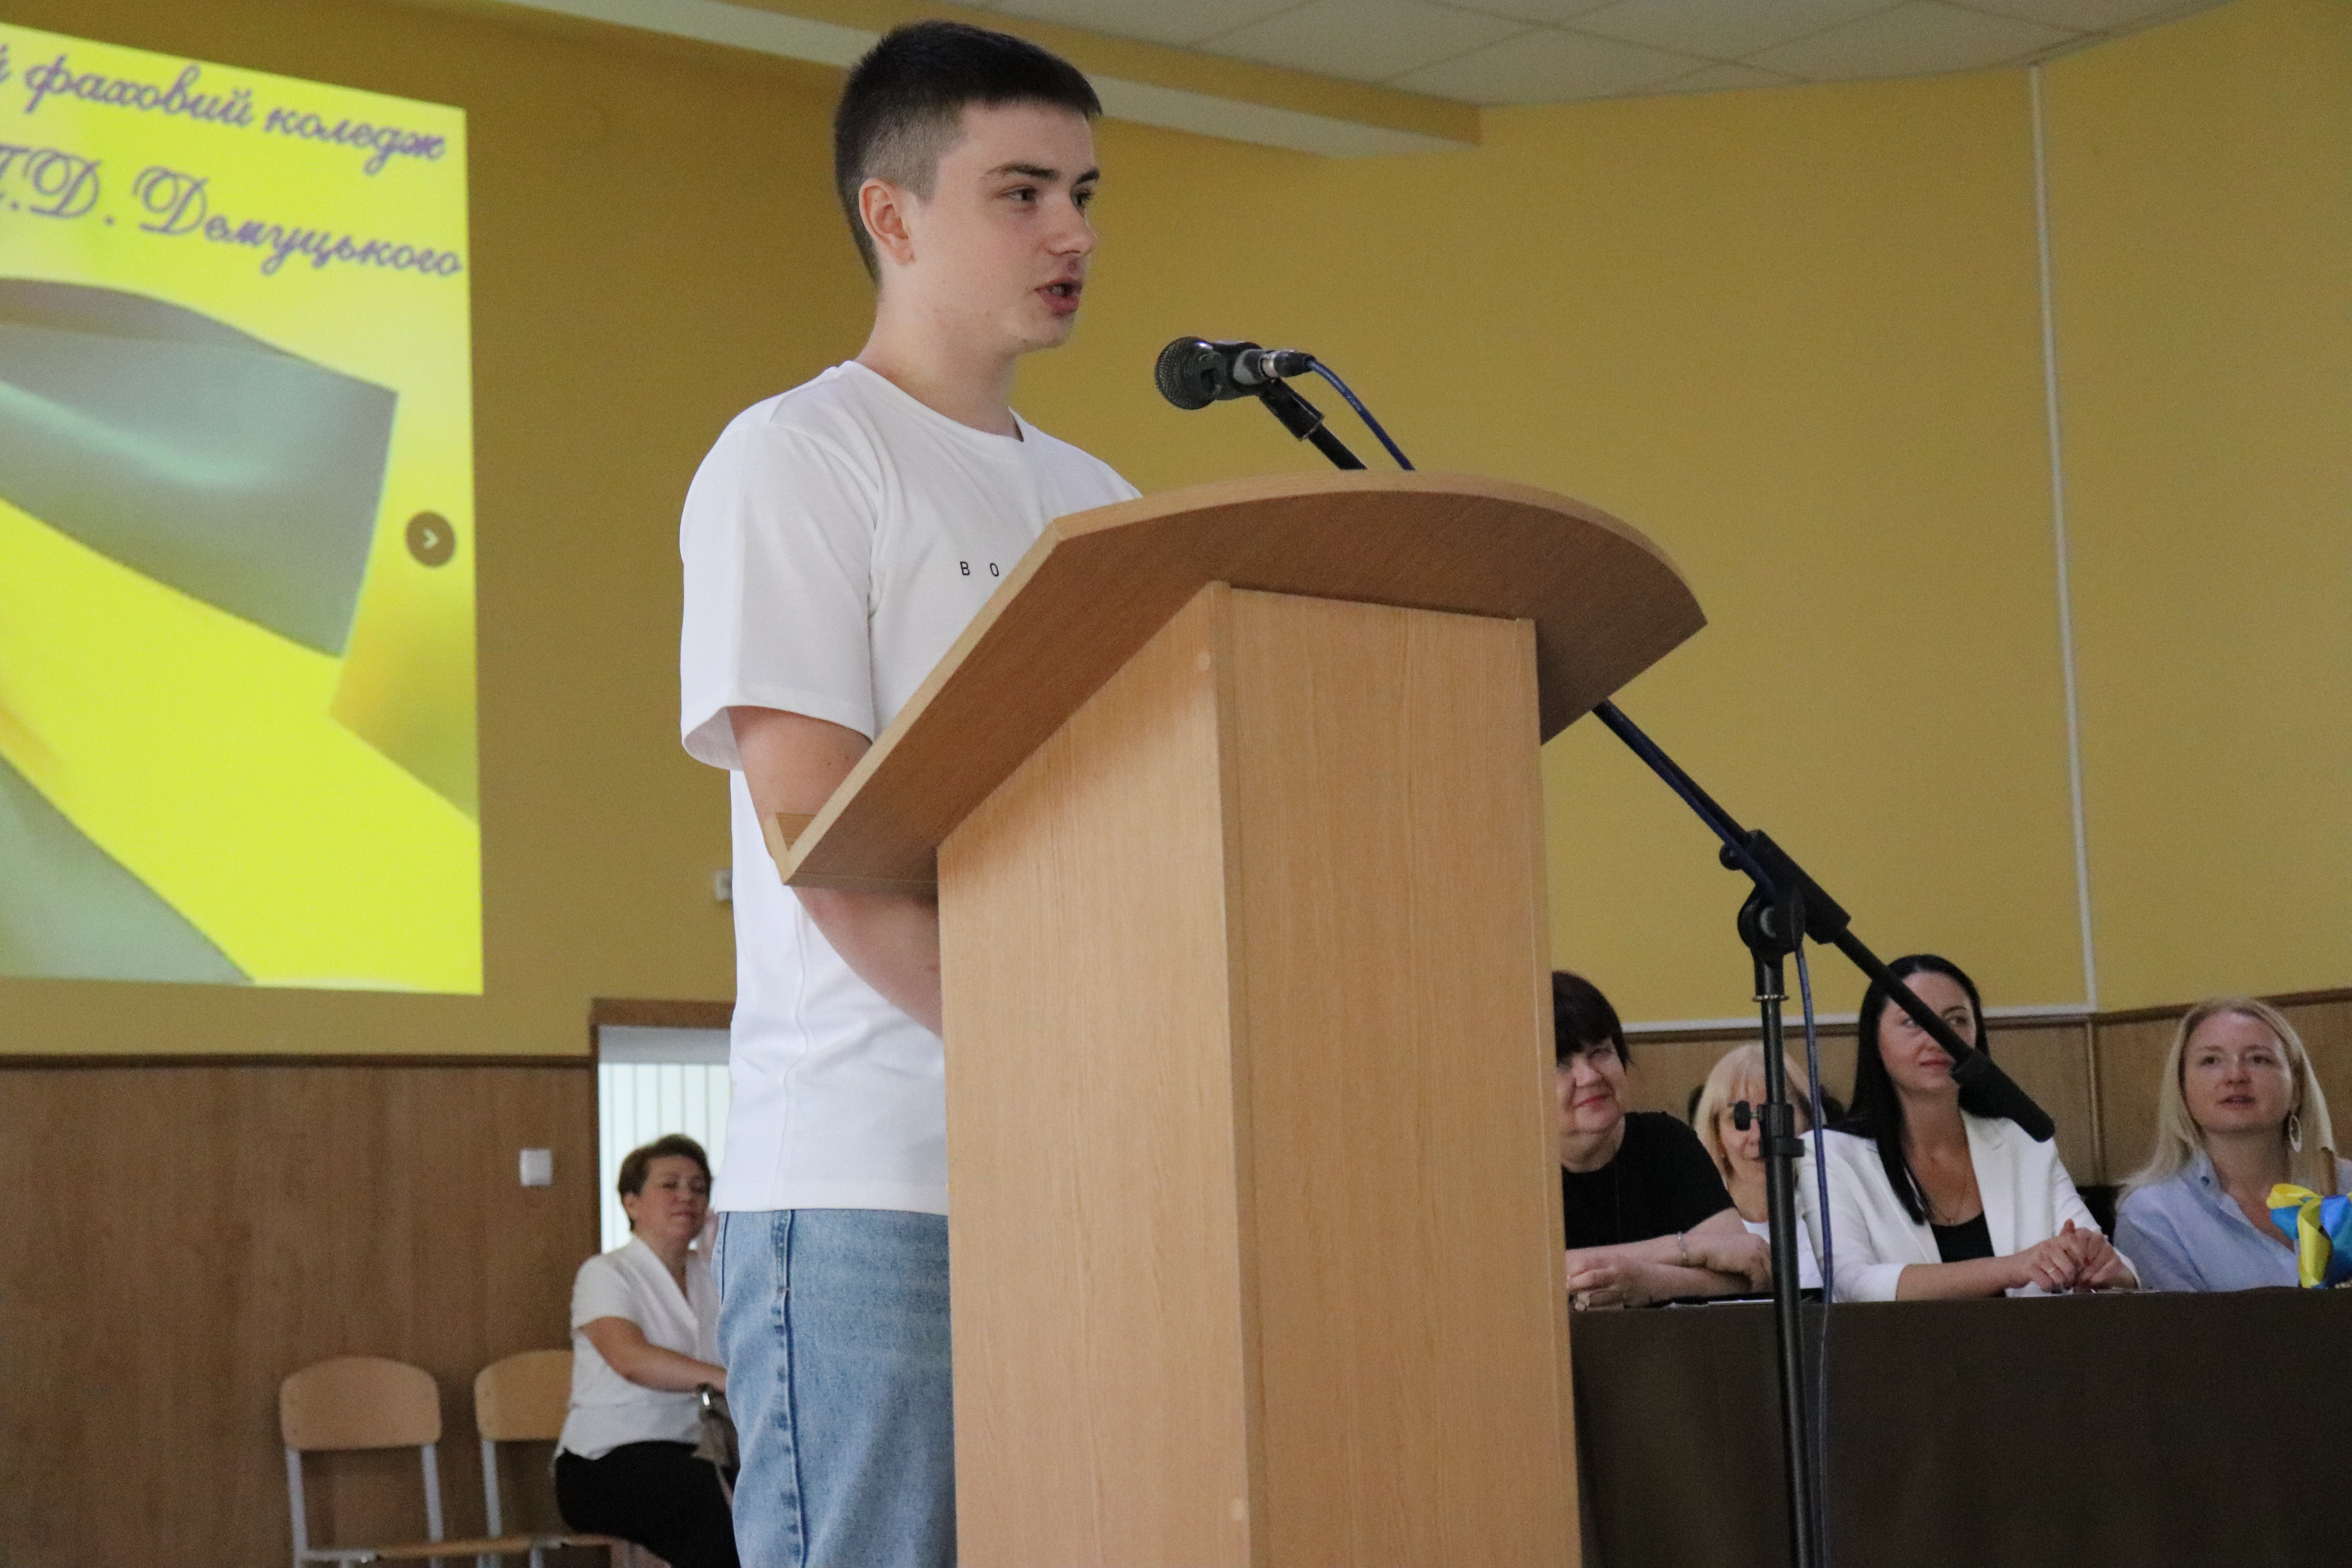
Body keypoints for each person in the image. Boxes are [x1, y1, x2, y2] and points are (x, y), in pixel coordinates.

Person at [676, 22, 1134, 1567]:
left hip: (1079, 1175)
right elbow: (827, 839)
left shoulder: (1100, 502)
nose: (1072, 234)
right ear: (894, 215)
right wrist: (1070, 1059)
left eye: (1083, 194)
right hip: (871, 1183)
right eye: (1022, 192)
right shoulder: (798, 457)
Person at [1802, 954, 2135, 1301]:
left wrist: (2102, 1267)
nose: (1938, 1038)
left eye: (1957, 1020)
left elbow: (2118, 1268)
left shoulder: (2022, 1142)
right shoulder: (1828, 1155)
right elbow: (1854, 1284)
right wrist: (2013, 1267)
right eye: (1913, 1021)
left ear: (1977, 1036)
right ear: (1875, 1039)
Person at [555, 1136, 737, 1568]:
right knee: (710, 1509)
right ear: (631, 1202)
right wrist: (725, 1380)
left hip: (697, 1452)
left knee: (771, 1501)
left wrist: (728, 1253)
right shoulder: (606, 1272)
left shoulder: (713, 1275)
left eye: (698, 1188)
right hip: (607, 1460)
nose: (687, 1197)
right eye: (670, 1185)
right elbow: (630, 1359)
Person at [1553, 971, 1771, 1309]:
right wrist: (1686, 1249)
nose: (1589, 1076)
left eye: (1600, 1052)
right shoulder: (1507, 1167)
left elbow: (1751, 1270)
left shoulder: (1665, 1141)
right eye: (1561, 1064)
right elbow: (1535, 1275)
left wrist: (1649, 1282)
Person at [2114, 996, 2348, 1291]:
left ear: (2297, 1088)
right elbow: (2179, 1322)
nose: (2235, 1076)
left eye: (2259, 1059)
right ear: (2183, 1089)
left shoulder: (2347, 1187)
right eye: (2211, 1061)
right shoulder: (2153, 1214)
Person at [1692, 1042, 1842, 1290]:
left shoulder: (1833, 1207)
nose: (1759, 1135)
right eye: (1740, 1119)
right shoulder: (1695, 1220)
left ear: (1807, 1124)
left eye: (1776, 1116)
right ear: (1717, 1137)